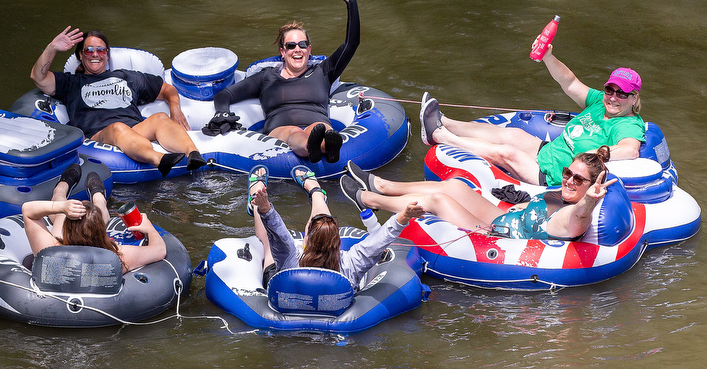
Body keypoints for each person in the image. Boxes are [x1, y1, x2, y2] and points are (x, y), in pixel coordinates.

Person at [419, 44, 645, 186]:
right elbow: (569, 81)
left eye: (622, 93)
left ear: (634, 98)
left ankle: (442, 137)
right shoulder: (599, 102)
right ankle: (446, 123)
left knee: (508, 153)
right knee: (514, 135)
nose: (613, 97)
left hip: (556, 174)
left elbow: (630, 149)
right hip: (549, 150)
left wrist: (594, 153)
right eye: (610, 90)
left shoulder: (627, 124)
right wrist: (548, 56)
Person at [206, 0, 360, 164]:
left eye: (302, 45)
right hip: (281, 129)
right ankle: (312, 147)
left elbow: (351, 44)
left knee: (319, 127)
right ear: (283, 52)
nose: (297, 49)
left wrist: (351, 3)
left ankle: (328, 144)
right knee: (294, 132)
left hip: (317, 123)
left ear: (309, 49)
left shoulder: (323, 71)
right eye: (291, 45)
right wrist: (222, 113)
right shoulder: (267, 77)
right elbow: (226, 94)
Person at [30, 27, 207, 177]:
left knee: (160, 117)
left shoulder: (127, 77)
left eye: (100, 50)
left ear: (107, 55)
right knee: (117, 128)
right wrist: (52, 48)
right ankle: (159, 159)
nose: (95, 55)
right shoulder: (70, 82)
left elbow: (167, 89)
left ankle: (193, 154)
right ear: (81, 55)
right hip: (99, 135)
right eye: (89, 50)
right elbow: (38, 77)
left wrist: (175, 109)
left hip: (135, 130)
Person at [341, 146, 612, 241]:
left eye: (579, 179)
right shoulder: (560, 195)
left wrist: (589, 201)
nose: (569, 180)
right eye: (568, 173)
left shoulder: (574, 214)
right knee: (457, 187)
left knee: (439, 201)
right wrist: (522, 207)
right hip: (505, 219)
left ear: (590, 187)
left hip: (497, 236)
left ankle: (368, 199)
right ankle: (383, 185)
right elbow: (540, 207)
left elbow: (579, 217)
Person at [248, 163, 423, 289]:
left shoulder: (291, 260)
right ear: (337, 243)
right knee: (317, 223)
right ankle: (317, 193)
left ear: (306, 241)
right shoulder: (350, 265)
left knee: (270, 247)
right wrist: (402, 217)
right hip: (335, 313)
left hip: (287, 296)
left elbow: (277, 234)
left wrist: (265, 208)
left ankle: (257, 199)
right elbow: (378, 242)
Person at [22, 163, 166, 272]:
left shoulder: (49, 252)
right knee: (97, 214)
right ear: (102, 231)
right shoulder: (119, 258)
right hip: (100, 259)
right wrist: (149, 228)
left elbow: (27, 210)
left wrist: (62, 208)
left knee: (60, 213)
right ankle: (99, 197)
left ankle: (61, 188)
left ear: (68, 230)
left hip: (62, 254)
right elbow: (160, 250)